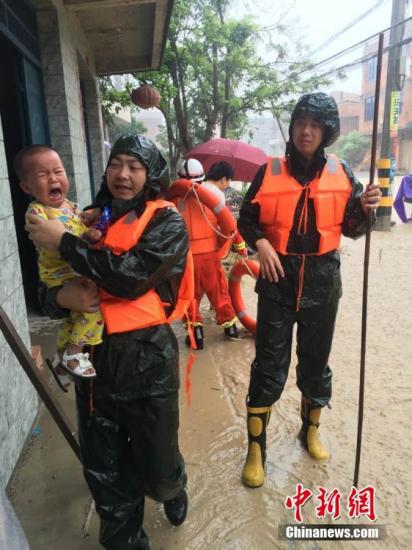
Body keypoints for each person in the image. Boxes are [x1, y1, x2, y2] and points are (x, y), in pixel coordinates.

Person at [26, 134, 192, 549]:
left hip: (147, 361)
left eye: (134, 166)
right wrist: (60, 298)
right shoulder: (82, 218)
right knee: (106, 474)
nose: (122, 174)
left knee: (157, 464)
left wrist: (62, 242)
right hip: (95, 366)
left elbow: (131, 277)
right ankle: (126, 540)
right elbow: (46, 287)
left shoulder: (166, 221)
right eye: (116, 163)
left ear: (150, 175)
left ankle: (171, 486)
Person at [238, 92, 381, 488]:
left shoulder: (343, 172)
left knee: (316, 363)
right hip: (277, 284)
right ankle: (256, 448)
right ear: (293, 127)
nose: (306, 131)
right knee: (269, 366)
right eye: (301, 122)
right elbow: (245, 218)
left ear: (326, 132)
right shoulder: (269, 171)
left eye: (315, 125)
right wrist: (261, 244)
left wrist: (365, 209)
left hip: (323, 283)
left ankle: (310, 430)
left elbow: (351, 229)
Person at [15, 145, 101, 385]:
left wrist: (89, 227)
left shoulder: (72, 207)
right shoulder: (37, 212)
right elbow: (57, 243)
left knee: (72, 319)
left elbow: (75, 233)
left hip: (73, 270)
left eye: (58, 171)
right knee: (93, 310)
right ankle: (74, 354)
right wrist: (81, 239)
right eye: (42, 175)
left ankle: (61, 363)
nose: (53, 178)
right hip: (59, 274)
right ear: (26, 187)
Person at [173, 159, 243, 349]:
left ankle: (196, 334)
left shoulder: (171, 201)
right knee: (219, 291)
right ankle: (231, 328)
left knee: (190, 296)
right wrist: (240, 247)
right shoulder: (214, 198)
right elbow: (229, 226)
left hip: (185, 258)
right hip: (210, 257)